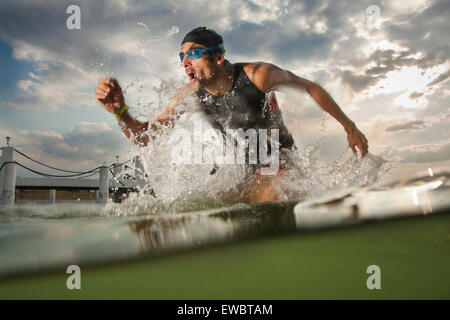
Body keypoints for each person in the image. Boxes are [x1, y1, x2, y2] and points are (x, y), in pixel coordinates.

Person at [96, 27, 369, 203]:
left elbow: (311, 87)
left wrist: (350, 127)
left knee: (262, 195)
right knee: (196, 207)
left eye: (193, 53)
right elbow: (147, 136)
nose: (185, 63)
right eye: (181, 57)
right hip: (246, 170)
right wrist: (120, 112)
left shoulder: (257, 75)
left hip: (282, 163)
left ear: (217, 58)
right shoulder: (189, 93)